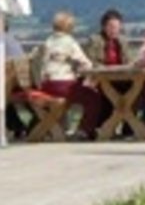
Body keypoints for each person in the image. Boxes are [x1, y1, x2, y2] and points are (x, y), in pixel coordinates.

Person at [30, 11, 104, 139]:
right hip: (63, 85)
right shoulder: (69, 42)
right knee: (94, 98)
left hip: (46, 85)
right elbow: (86, 64)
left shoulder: (48, 42)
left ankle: (55, 130)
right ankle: (84, 129)